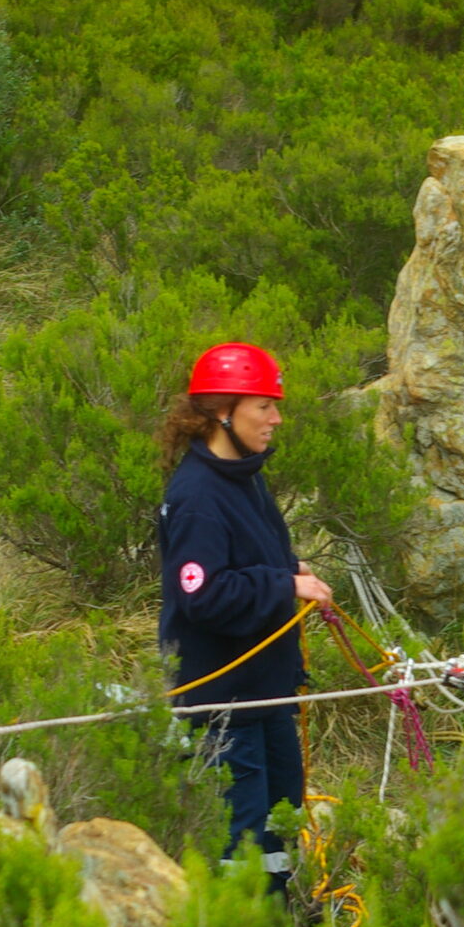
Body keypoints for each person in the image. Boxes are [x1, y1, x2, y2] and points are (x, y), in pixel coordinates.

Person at [156, 342, 334, 892]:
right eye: (264, 406)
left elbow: (240, 559)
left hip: (264, 693)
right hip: (222, 704)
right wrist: (284, 585)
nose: (276, 418)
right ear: (222, 412)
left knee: (281, 821)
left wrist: (287, 567)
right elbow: (203, 594)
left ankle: (280, 924)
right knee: (241, 841)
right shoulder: (198, 496)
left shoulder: (243, 476)